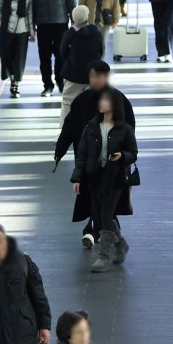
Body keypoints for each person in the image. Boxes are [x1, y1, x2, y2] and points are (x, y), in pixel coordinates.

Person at [55, 60, 136, 249]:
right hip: (90, 163)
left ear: (106, 76)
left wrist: (124, 154)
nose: (93, 80)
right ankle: (106, 233)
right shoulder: (82, 101)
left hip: (113, 164)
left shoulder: (119, 100)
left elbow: (129, 130)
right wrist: (60, 149)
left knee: (103, 200)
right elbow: (69, 126)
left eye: (97, 76)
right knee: (96, 198)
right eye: (91, 76)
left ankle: (94, 232)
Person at [71, 88, 138, 272]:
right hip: (94, 176)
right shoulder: (91, 126)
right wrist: (77, 178)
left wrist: (122, 155)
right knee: (98, 216)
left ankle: (103, 256)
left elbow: (133, 153)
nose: (101, 103)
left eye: (105, 100)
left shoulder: (124, 129)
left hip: (115, 177)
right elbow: (82, 155)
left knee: (107, 213)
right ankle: (120, 243)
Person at [29, 0, 76, 97]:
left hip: (60, 23)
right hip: (42, 24)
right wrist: (31, 26)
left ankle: (60, 81)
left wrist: (74, 20)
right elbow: (30, 5)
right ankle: (47, 85)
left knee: (60, 54)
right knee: (44, 57)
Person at [59, 6, 104, 124]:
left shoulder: (69, 34)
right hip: (93, 75)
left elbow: (62, 53)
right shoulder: (96, 33)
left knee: (68, 102)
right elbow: (101, 51)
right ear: (87, 17)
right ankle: (92, 128)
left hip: (73, 75)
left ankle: (65, 129)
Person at [0, 0, 34, 98]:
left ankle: (15, 83)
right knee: (5, 55)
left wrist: (31, 31)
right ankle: (11, 77)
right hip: (6, 29)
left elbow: (30, 13)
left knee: (19, 58)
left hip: (22, 30)